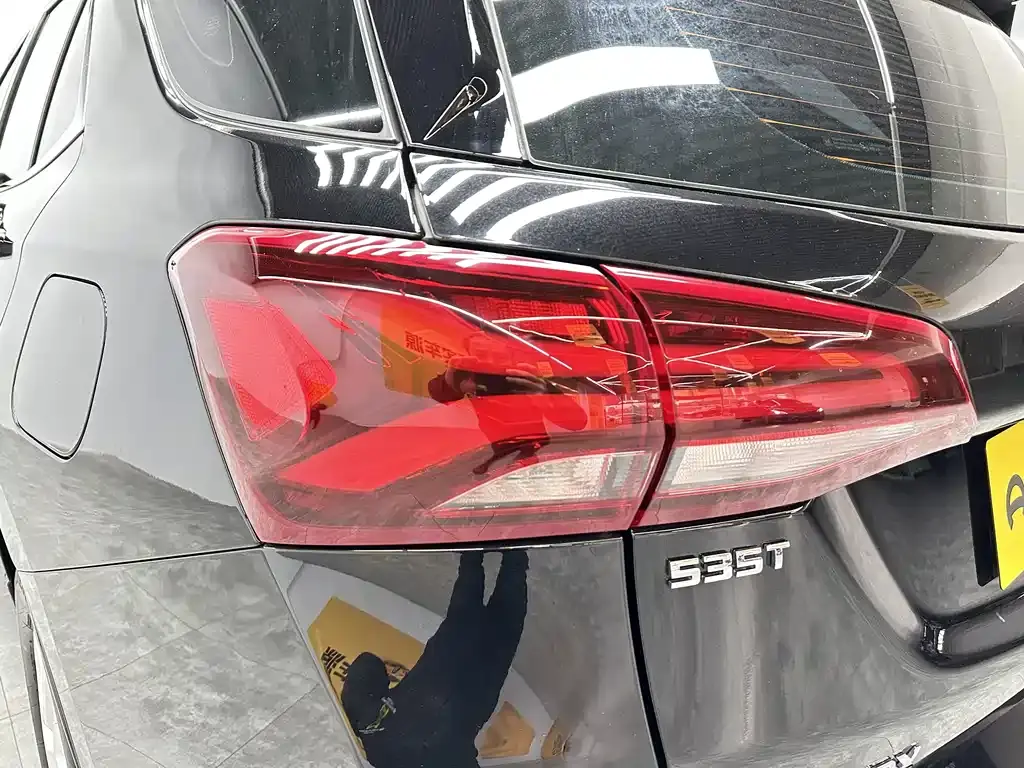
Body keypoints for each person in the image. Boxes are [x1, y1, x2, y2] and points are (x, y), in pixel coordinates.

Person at [342, 551, 529, 768]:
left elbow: (366, 669)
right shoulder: (372, 736)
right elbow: (366, 667)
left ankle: (504, 554)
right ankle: (485, 553)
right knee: (479, 607)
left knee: (495, 612)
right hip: (461, 663)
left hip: (471, 671)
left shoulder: (372, 733)